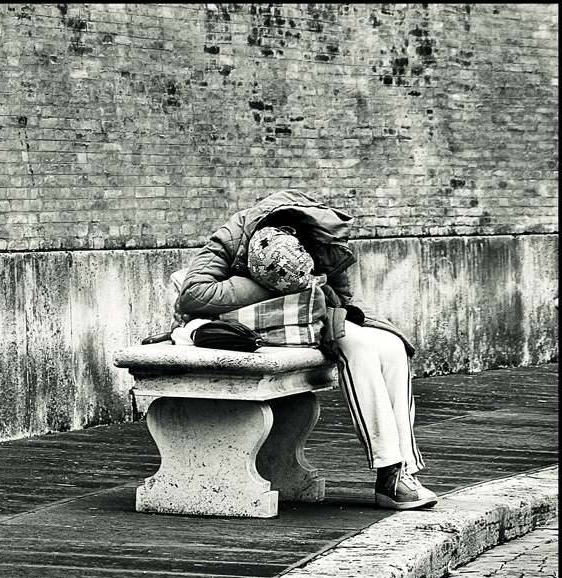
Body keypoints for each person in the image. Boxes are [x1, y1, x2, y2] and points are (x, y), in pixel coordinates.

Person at [176, 189, 437, 511]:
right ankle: (388, 471)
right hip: (257, 325)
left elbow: (343, 297)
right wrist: (273, 283)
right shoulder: (232, 236)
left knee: (392, 345)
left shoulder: (320, 236)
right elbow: (192, 296)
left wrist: (336, 302)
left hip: (312, 317)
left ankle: (404, 468)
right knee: (360, 346)